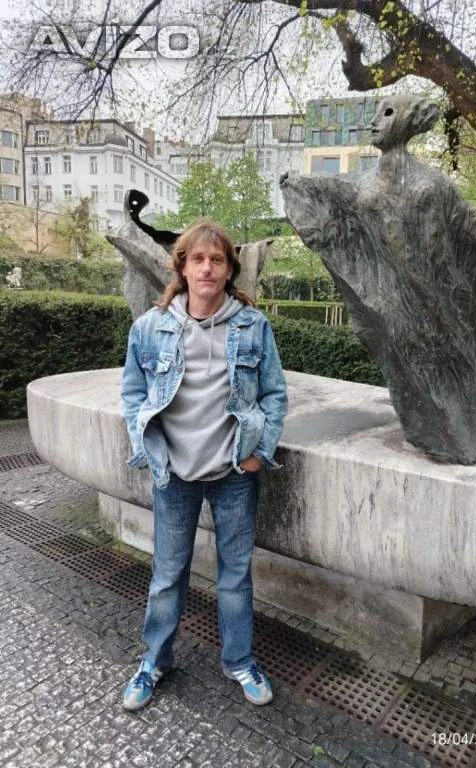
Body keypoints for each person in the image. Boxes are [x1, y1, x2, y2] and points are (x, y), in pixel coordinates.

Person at [120, 219, 288, 711]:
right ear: (183, 268)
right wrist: (149, 446)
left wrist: (258, 453)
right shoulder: (150, 328)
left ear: (230, 269)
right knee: (167, 576)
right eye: (198, 259)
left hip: (234, 473)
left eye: (217, 259)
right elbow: (133, 394)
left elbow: (275, 394)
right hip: (174, 474)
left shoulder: (252, 326)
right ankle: (154, 661)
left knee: (235, 578)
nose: (207, 268)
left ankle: (239, 660)